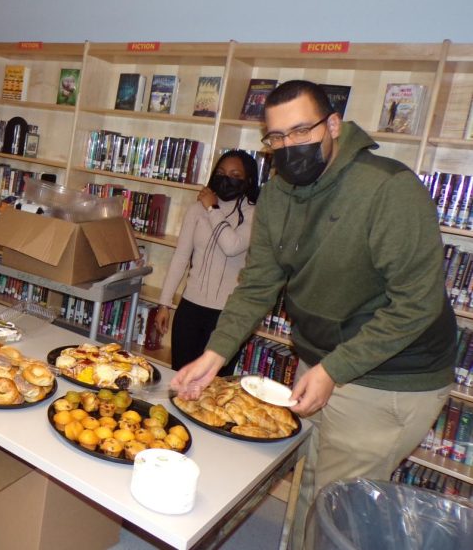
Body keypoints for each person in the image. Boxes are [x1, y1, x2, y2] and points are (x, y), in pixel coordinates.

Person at [171, 80, 457, 548]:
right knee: (309, 479)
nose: (288, 147)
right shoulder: (280, 194)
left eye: (301, 131)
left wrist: (334, 369)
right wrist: (214, 354)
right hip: (323, 360)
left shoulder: (387, 188)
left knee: (338, 511)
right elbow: (259, 283)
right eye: (276, 137)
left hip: (389, 376)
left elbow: (417, 304)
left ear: (333, 125)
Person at [155, 149, 260, 374]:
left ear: (248, 180)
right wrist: (164, 303)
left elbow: (231, 246)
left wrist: (212, 208)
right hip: (190, 309)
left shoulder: (254, 215)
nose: (226, 178)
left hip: (226, 316)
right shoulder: (196, 210)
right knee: (180, 376)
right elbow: (181, 256)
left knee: (212, 386)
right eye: (220, 172)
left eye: (235, 174)